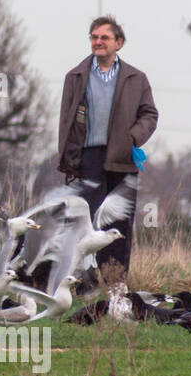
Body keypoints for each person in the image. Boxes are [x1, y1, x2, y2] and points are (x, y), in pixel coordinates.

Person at [56, 15, 158, 278]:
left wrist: (132, 138)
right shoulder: (75, 76)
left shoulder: (137, 78)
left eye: (104, 37)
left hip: (122, 159)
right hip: (87, 158)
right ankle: (84, 282)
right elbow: (66, 120)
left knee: (118, 223)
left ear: (119, 43)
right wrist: (69, 158)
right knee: (84, 223)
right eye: (94, 37)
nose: (98, 42)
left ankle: (114, 283)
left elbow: (150, 115)